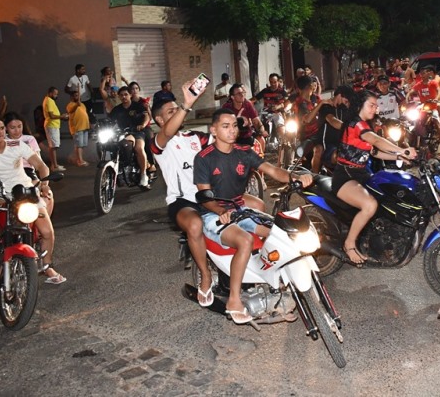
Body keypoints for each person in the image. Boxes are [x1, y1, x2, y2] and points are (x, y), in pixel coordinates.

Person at [194, 109, 313, 324]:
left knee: (280, 235)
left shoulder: (244, 152)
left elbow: (273, 171)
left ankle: (277, 288)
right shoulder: (204, 158)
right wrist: (221, 211)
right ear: (213, 130)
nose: (232, 130)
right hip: (213, 214)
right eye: (225, 126)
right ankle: (234, 300)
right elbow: (204, 197)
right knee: (245, 240)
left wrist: (295, 176)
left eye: (234, 126)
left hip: (240, 210)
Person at [0, 116, 66, 286]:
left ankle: (47, 266)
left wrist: (44, 184)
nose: (0, 132)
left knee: (47, 232)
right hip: (1, 194)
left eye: (2, 128)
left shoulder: (17, 145)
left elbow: (41, 166)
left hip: (26, 191)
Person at [151, 78, 215, 307]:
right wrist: (187, 103)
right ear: (160, 120)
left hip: (209, 196)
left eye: (177, 109)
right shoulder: (160, 143)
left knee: (254, 206)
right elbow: (167, 132)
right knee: (195, 225)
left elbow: (221, 145)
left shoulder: (196, 137)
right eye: (171, 111)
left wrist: (235, 125)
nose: (178, 113)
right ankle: (205, 276)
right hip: (183, 202)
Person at [333, 91, 417, 265]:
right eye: (371, 105)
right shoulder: (356, 124)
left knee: (389, 195)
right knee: (369, 205)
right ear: (360, 105)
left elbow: (375, 152)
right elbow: (377, 141)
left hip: (361, 173)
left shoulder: (365, 125)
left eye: (376, 106)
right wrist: (401, 150)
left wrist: (399, 157)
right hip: (345, 175)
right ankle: (349, 244)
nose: (375, 109)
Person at [4, 112, 55, 217]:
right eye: (13, 127)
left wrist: (44, 185)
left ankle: (43, 222)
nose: (17, 130)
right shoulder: (2, 141)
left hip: (27, 172)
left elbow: (40, 164)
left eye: (19, 126)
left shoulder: (29, 139)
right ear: (5, 128)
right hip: (8, 173)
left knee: (47, 196)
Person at [108, 86, 151, 188]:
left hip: (138, 131)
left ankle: (143, 175)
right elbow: (109, 121)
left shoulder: (138, 106)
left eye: (126, 94)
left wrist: (143, 125)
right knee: (115, 145)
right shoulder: (116, 109)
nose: (124, 97)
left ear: (130, 95)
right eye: (121, 95)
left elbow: (146, 116)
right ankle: (121, 169)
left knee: (139, 148)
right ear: (119, 96)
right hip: (124, 133)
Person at [309, 85, 352, 173]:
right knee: (318, 150)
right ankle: (314, 176)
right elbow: (331, 120)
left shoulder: (344, 109)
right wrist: (348, 127)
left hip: (338, 143)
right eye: (346, 101)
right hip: (324, 143)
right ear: (339, 95)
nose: (346, 104)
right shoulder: (326, 106)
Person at [411, 65, 440, 157]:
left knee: (439, 127)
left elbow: (439, 91)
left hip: (433, 107)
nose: (422, 75)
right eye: (421, 74)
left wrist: (436, 98)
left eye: (424, 73)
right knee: (414, 122)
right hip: (423, 107)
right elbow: (411, 90)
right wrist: (407, 96)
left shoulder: (434, 82)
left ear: (429, 74)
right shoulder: (419, 84)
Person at [253, 73, 288, 139]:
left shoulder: (282, 92)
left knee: (282, 130)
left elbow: (287, 103)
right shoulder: (265, 91)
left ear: (278, 81)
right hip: (266, 113)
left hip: (277, 113)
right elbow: (254, 99)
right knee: (258, 128)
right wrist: (245, 102)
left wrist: (279, 107)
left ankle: (283, 142)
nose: (273, 84)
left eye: (275, 82)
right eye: (271, 82)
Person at [42, 87, 68, 171]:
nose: (56, 96)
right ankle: (54, 166)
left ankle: (54, 165)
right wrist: (62, 116)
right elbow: (51, 116)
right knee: (53, 146)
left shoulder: (50, 100)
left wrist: (62, 117)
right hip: (51, 125)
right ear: (50, 93)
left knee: (53, 146)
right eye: (55, 94)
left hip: (54, 125)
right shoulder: (49, 100)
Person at [66, 89, 90, 166]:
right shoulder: (70, 105)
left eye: (78, 96)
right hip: (77, 128)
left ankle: (78, 159)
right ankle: (80, 161)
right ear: (71, 97)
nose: (78, 97)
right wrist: (77, 104)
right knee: (79, 145)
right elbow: (71, 110)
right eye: (76, 96)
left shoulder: (82, 105)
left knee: (82, 145)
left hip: (85, 127)